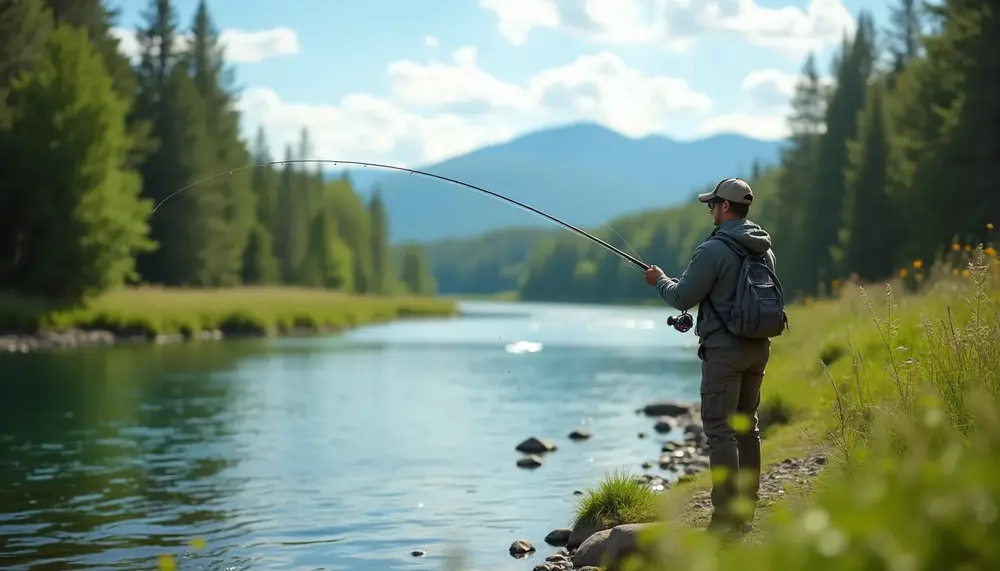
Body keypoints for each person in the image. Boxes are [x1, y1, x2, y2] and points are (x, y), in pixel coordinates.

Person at [643, 177, 783, 537]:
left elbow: (681, 298)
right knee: (746, 428)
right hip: (759, 347)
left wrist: (660, 280)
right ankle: (746, 511)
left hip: (724, 352)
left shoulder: (713, 250)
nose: (709, 209)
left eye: (712, 204)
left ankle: (725, 519)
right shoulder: (764, 249)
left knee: (720, 434)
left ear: (725, 207)